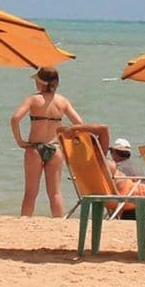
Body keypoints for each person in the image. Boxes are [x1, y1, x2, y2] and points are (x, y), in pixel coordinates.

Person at [11, 66, 100, 219]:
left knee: (31, 192)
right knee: (55, 193)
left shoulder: (33, 99)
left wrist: (20, 141)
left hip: (35, 148)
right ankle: (58, 222)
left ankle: (24, 221)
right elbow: (79, 124)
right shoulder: (62, 101)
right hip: (55, 148)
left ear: (41, 83)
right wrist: (69, 136)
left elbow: (15, 119)